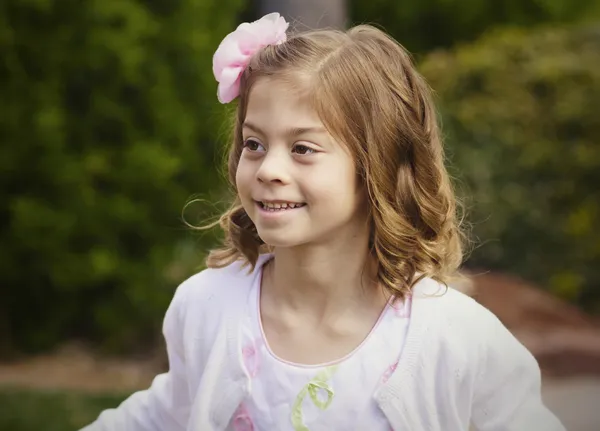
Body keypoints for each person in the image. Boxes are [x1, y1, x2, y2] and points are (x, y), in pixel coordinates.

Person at [82, 12, 565, 431]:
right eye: (254, 144)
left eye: (302, 149)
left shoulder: (454, 337)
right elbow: (168, 414)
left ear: (376, 168)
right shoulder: (206, 306)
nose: (269, 169)